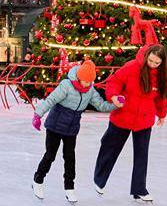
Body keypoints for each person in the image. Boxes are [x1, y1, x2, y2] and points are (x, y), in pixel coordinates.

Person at [93, 44, 167, 203]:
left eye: (157, 63)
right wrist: (114, 96)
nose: (152, 64)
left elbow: (162, 97)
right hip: (123, 115)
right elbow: (113, 82)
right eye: (150, 61)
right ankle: (99, 179)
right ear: (146, 56)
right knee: (110, 147)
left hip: (144, 119)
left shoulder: (163, 75)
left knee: (142, 155)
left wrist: (162, 114)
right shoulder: (131, 67)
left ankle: (139, 190)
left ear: (162, 63)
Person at [31, 61, 119, 203]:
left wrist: (115, 105)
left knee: (70, 158)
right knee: (50, 155)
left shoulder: (90, 90)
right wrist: (37, 115)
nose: (86, 84)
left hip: (71, 129)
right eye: (85, 81)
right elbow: (51, 100)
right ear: (78, 77)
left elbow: (101, 105)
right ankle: (38, 180)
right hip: (54, 126)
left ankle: (69, 187)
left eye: (90, 81)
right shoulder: (66, 85)